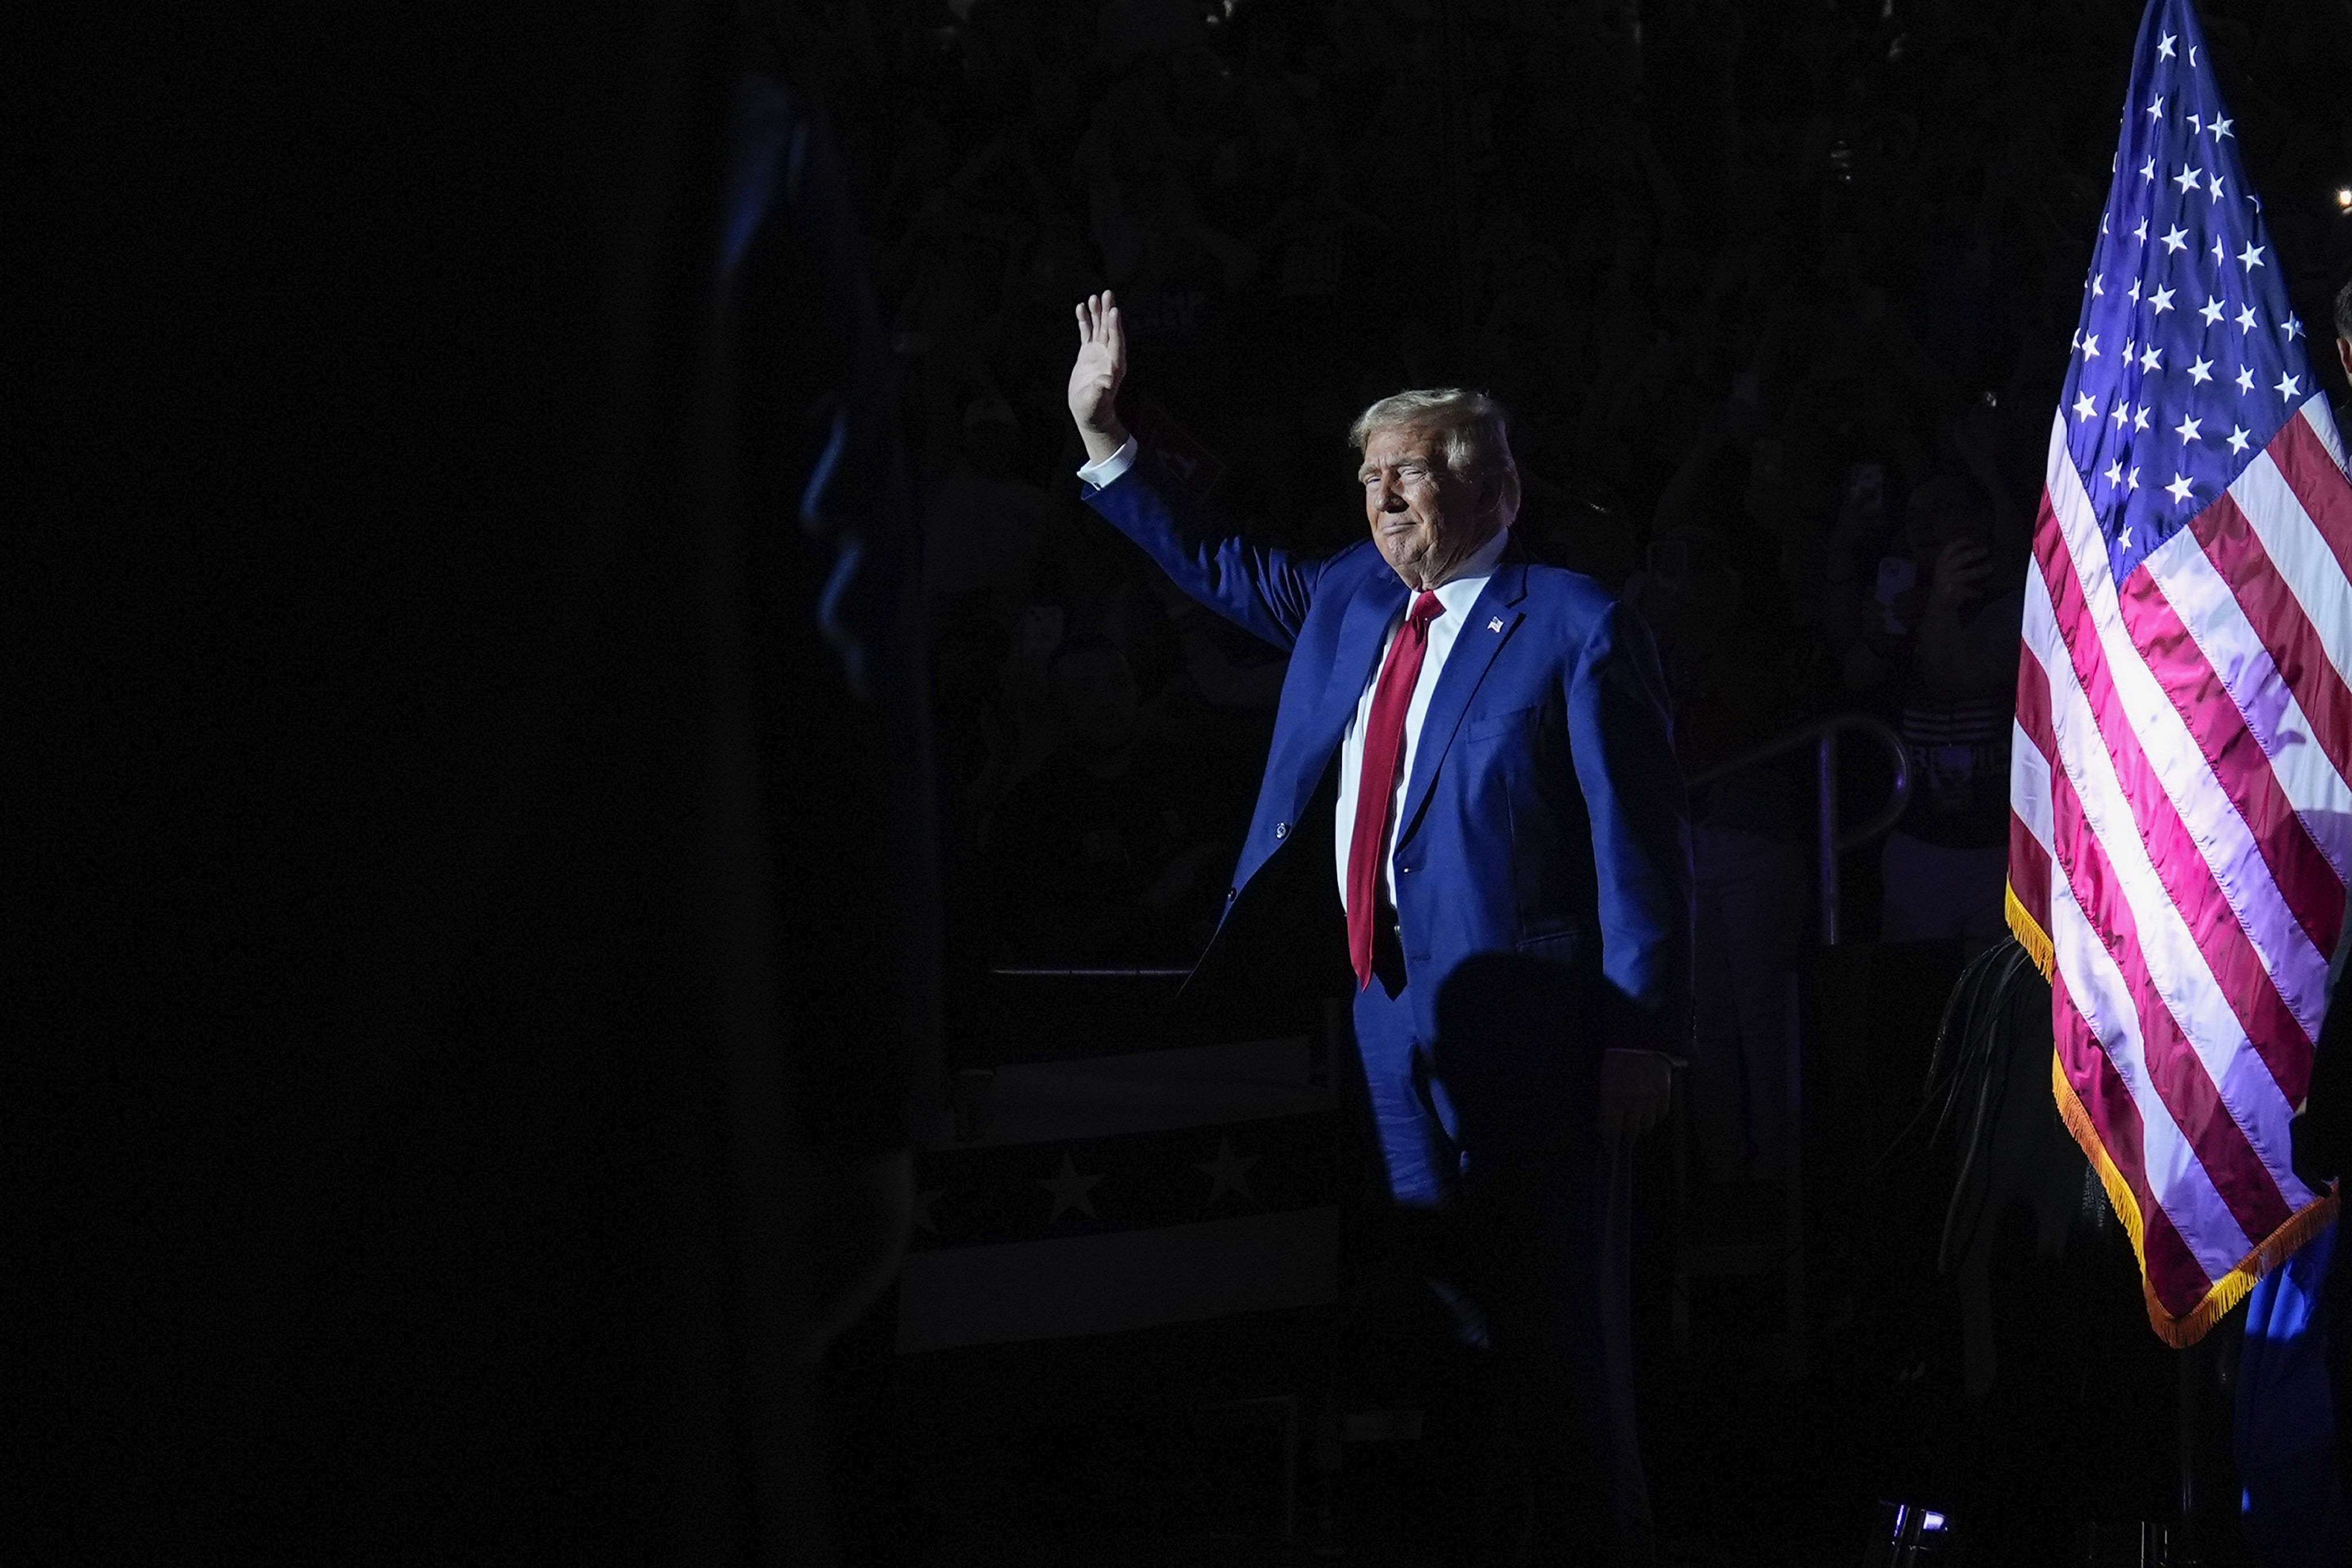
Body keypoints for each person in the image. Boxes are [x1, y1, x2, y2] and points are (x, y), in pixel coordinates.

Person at [1064, 291, 1690, 1565]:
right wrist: (1105, 438)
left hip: (1542, 1034)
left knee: (1563, 1336)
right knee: (1436, 1315)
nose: (1380, 501)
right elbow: (1222, 565)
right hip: (1388, 1022)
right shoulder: (1351, 597)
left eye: (1406, 476)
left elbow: (1639, 848)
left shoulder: (1573, 624)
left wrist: (1644, 1039)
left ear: (1492, 490)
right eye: (1367, 479)